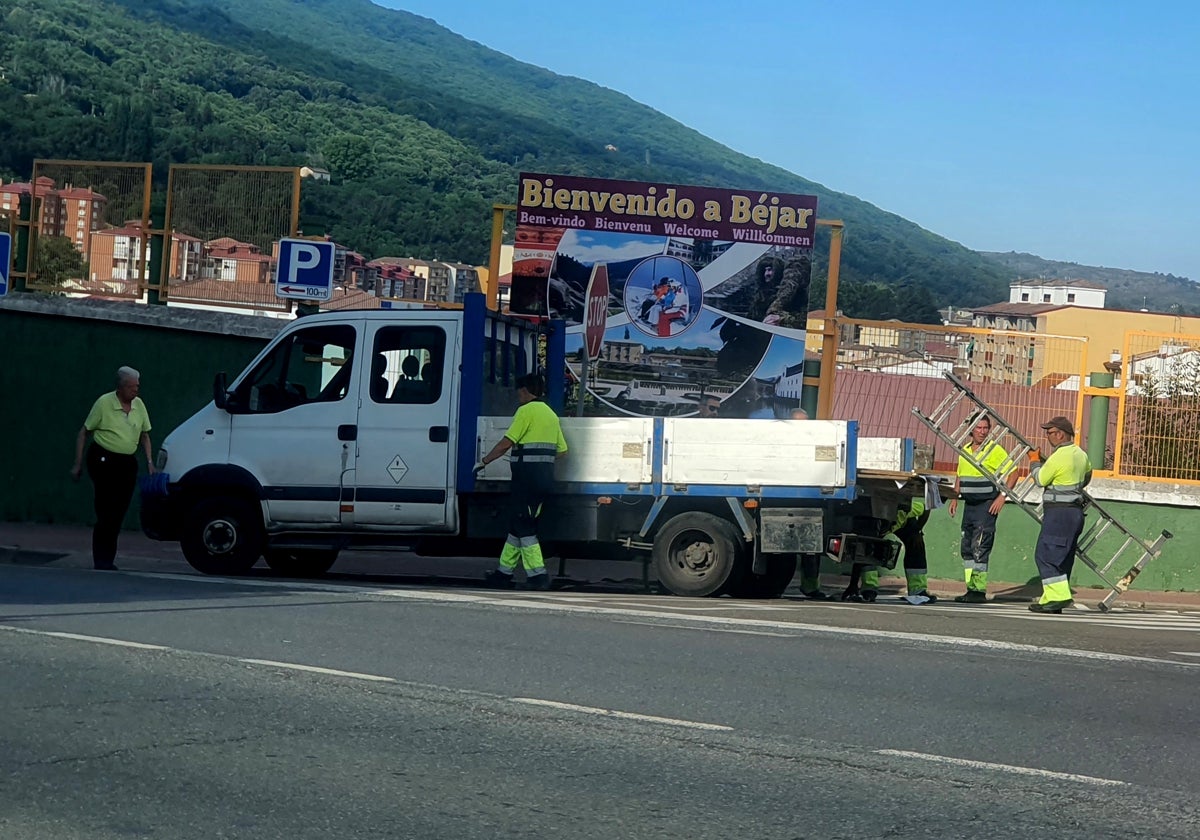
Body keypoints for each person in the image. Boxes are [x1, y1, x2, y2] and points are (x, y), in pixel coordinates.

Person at [478, 373, 568, 591]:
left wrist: (484, 461)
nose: (517, 395)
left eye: (519, 391)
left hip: (525, 481)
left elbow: (507, 442)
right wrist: (541, 461)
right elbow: (563, 451)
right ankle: (503, 573)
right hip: (543, 479)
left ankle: (538, 576)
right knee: (517, 525)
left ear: (525, 390)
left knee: (525, 528)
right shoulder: (550, 414)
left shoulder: (525, 411)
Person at [70, 366, 155, 571]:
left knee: (118, 511)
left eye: (138, 386)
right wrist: (78, 463)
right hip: (103, 459)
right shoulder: (104, 403)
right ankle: (101, 559)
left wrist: (150, 462)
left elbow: (144, 435)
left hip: (126, 463)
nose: (136, 391)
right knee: (106, 508)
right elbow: (84, 432)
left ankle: (109, 558)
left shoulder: (139, 405)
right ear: (120, 387)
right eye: (132, 387)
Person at [947, 415, 1018, 603]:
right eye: (978, 428)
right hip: (969, 505)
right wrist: (954, 498)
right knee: (967, 548)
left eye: (985, 428)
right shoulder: (965, 450)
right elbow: (960, 476)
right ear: (971, 430)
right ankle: (970, 588)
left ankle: (978, 591)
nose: (982, 431)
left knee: (980, 546)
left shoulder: (994, 450)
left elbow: (1013, 473)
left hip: (986, 506)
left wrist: (1002, 497)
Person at [1028, 415, 1092, 613]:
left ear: (1061, 434)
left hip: (1059, 514)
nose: (1048, 437)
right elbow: (1088, 475)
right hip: (1075, 513)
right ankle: (1049, 599)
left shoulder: (1058, 456)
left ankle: (1059, 597)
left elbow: (1040, 479)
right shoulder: (1081, 454)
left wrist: (1034, 462)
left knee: (1046, 555)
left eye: (1051, 433)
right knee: (1062, 557)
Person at [852, 499, 936, 604]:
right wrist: (853, 584)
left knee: (916, 541)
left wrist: (919, 528)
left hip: (902, 521)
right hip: (875, 522)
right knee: (868, 547)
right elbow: (860, 552)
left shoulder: (905, 511)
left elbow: (926, 509)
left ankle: (918, 589)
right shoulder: (872, 523)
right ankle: (869, 588)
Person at [787, 408, 828, 599]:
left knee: (812, 545)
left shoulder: (813, 444)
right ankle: (809, 585)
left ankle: (811, 586)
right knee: (807, 546)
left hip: (809, 497)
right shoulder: (785, 444)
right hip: (788, 497)